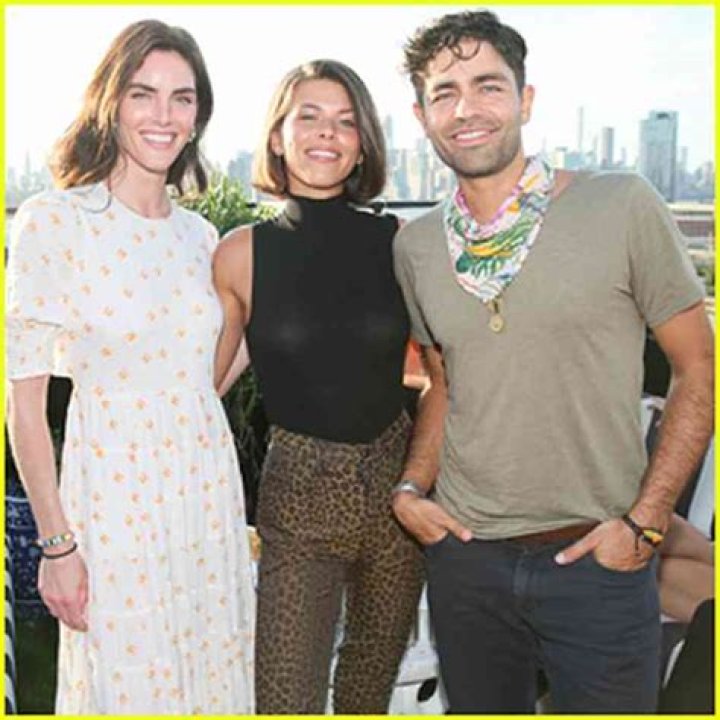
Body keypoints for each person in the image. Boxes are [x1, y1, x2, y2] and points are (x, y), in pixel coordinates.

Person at [391, 10, 714, 714]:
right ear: (422, 116)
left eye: (488, 86)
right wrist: (411, 489)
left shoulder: (620, 204)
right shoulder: (416, 246)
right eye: (444, 93)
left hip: (599, 562)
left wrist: (646, 525)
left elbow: (699, 367)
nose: (466, 109)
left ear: (526, 100)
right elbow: (444, 382)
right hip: (468, 562)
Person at [6, 20, 255, 714]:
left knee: (212, 680)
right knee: (132, 685)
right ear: (109, 102)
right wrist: (58, 545)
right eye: (143, 94)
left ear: (199, 115)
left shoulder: (199, 236)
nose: (163, 115)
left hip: (205, 494)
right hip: (114, 501)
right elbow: (24, 407)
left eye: (182, 98)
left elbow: (199, 384)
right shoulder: (56, 222)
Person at [213, 59, 424, 714]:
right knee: (285, 699)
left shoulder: (400, 243)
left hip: (397, 493)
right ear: (277, 137)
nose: (327, 133)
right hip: (299, 496)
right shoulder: (241, 253)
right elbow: (203, 383)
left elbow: (438, 369)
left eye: (345, 121)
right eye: (308, 116)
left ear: (363, 144)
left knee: (368, 692)